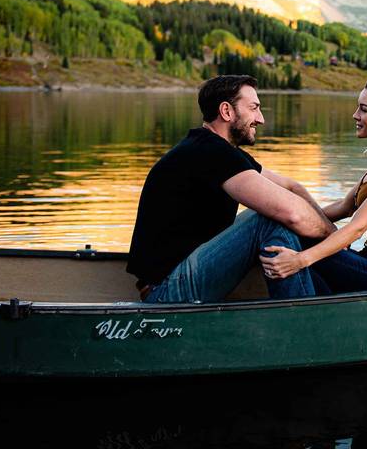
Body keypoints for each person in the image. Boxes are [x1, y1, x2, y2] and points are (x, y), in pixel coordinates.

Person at [126, 75, 335, 303]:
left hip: (179, 281)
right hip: (167, 292)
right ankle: (307, 319)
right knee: (268, 218)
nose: (261, 119)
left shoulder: (217, 151)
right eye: (254, 108)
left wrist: (335, 238)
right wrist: (334, 238)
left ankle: (325, 300)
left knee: (278, 213)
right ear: (226, 111)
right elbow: (292, 213)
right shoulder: (211, 153)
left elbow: (291, 186)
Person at [260, 76, 367, 294]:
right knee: (290, 234)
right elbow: (345, 206)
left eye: (364, 110)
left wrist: (301, 260)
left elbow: (357, 228)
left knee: (300, 249)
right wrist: (296, 219)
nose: (355, 115)